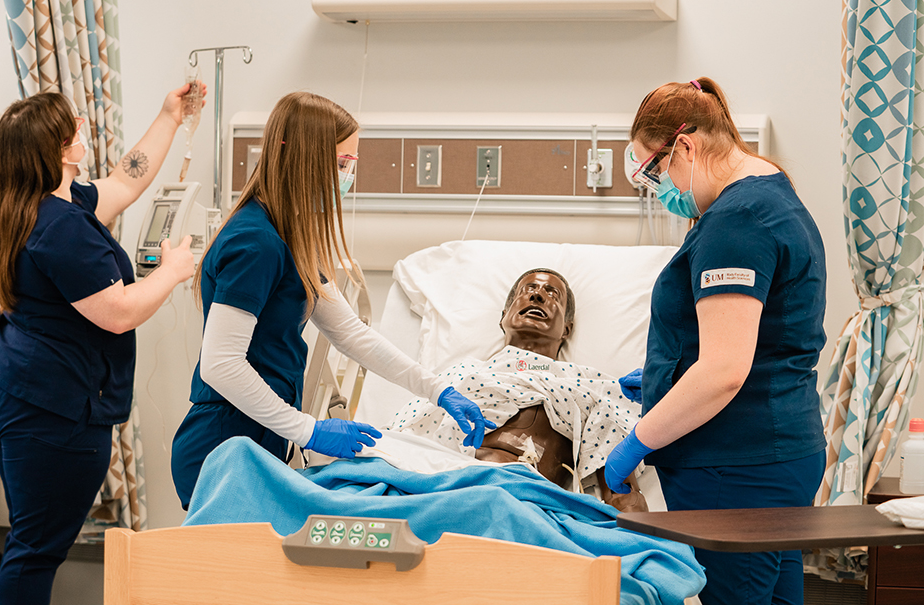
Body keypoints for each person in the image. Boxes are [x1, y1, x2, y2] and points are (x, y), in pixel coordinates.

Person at [170, 91, 492, 509]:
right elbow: (221, 364)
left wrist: (439, 390)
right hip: (222, 447)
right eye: (341, 163)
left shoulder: (291, 236)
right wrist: (309, 430)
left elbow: (352, 334)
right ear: (305, 158)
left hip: (259, 440)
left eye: (351, 164)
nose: (347, 176)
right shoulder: (255, 243)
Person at [604, 77, 827, 605]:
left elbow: (724, 370)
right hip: (773, 455)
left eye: (654, 172)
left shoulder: (735, 223)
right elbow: (768, 337)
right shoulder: (771, 192)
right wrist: (666, 376)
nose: (659, 190)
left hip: (735, 467)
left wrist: (637, 442)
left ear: (685, 146)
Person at [0, 85, 201, 605]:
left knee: (29, 540)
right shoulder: (61, 229)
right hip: (52, 407)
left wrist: (169, 116)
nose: (82, 126)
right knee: (36, 551)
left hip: (15, 387)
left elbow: (126, 179)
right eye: (73, 125)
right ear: (58, 148)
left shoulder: (41, 204)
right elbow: (119, 313)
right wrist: (171, 272)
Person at [391, 268, 647, 512]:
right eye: (528, 290)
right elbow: (397, 443)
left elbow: (621, 493)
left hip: (523, 503)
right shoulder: (456, 377)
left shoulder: (590, 389)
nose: (537, 296)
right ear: (503, 317)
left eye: (552, 294)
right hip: (441, 488)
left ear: (566, 329)